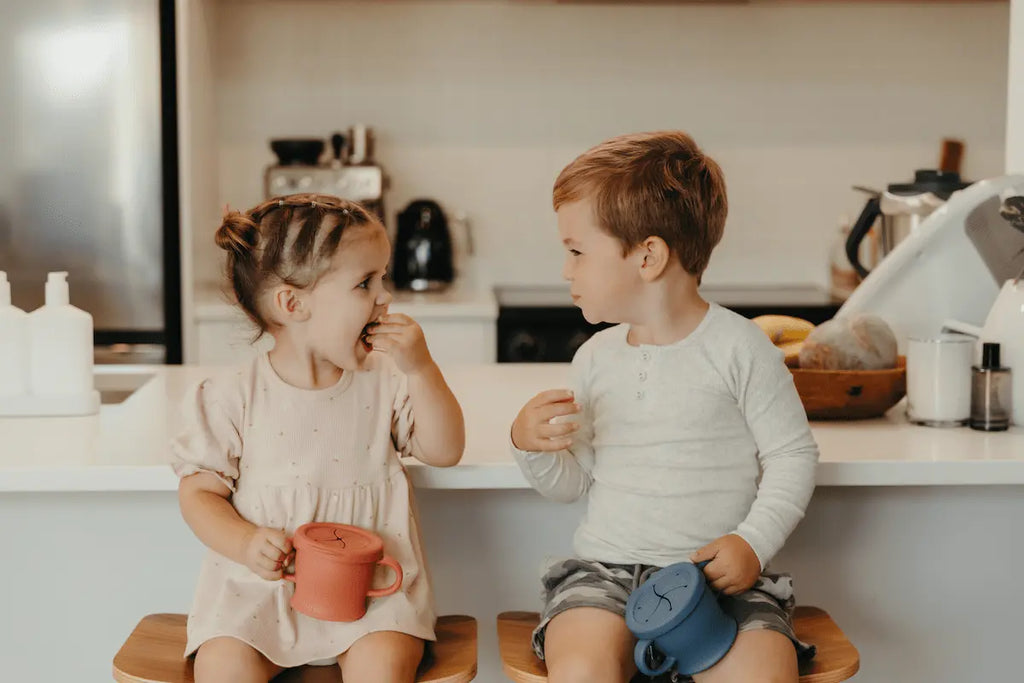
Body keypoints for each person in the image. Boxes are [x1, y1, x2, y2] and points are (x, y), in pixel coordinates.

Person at [510, 131, 819, 683]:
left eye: (577, 251)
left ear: (648, 256)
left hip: (719, 579)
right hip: (604, 573)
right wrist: (531, 447)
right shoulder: (595, 358)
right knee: (579, 670)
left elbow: (793, 455)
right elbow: (572, 484)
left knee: (764, 675)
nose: (565, 269)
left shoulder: (740, 347)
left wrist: (752, 543)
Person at [171, 193, 465, 682]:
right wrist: (244, 543)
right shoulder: (231, 395)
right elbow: (199, 494)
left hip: (375, 594)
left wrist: (422, 370)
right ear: (293, 304)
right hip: (258, 595)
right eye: (365, 282)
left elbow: (444, 449)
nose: (385, 297)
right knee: (222, 667)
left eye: (383, 278)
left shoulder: (385, 379)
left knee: (383, 667)